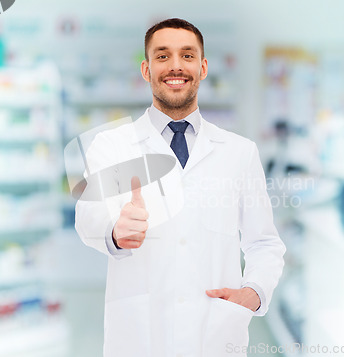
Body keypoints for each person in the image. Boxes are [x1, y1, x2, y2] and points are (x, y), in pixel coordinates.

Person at [75, 18, 285, 357]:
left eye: (187, 56)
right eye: (162, 56)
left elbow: (264, 242)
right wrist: (115, 230)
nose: (176, 66)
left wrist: (255, 292)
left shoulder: (240, 152)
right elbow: (87, 216)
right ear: (146, 69)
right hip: (140, 338)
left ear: (202, 68)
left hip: (215, 337)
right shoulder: (113, 145)